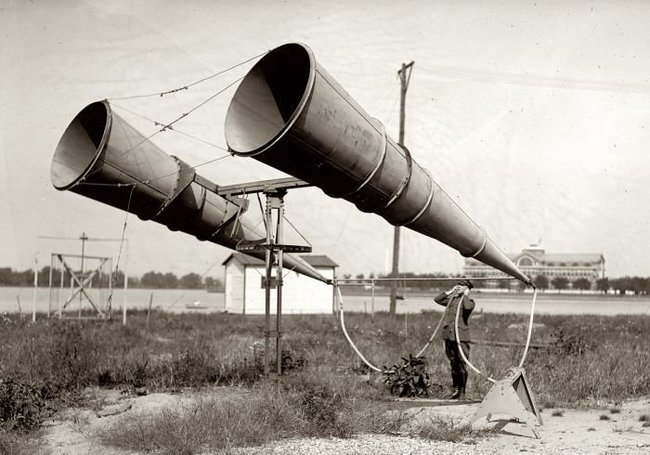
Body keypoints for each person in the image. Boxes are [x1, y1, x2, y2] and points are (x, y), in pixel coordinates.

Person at [434, 279, 475, 400]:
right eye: (458, 284)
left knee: (461, 364)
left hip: (461, 337)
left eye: (462, 285)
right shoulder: (452, 300)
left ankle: (462, 392)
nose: (458, 286)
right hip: (449, 336)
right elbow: (437, 299)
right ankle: (455, 390)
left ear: (467, 288)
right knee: (453, 363)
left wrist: (466, 294)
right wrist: (450, 291)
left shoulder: (469, 301)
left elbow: (467, 308)